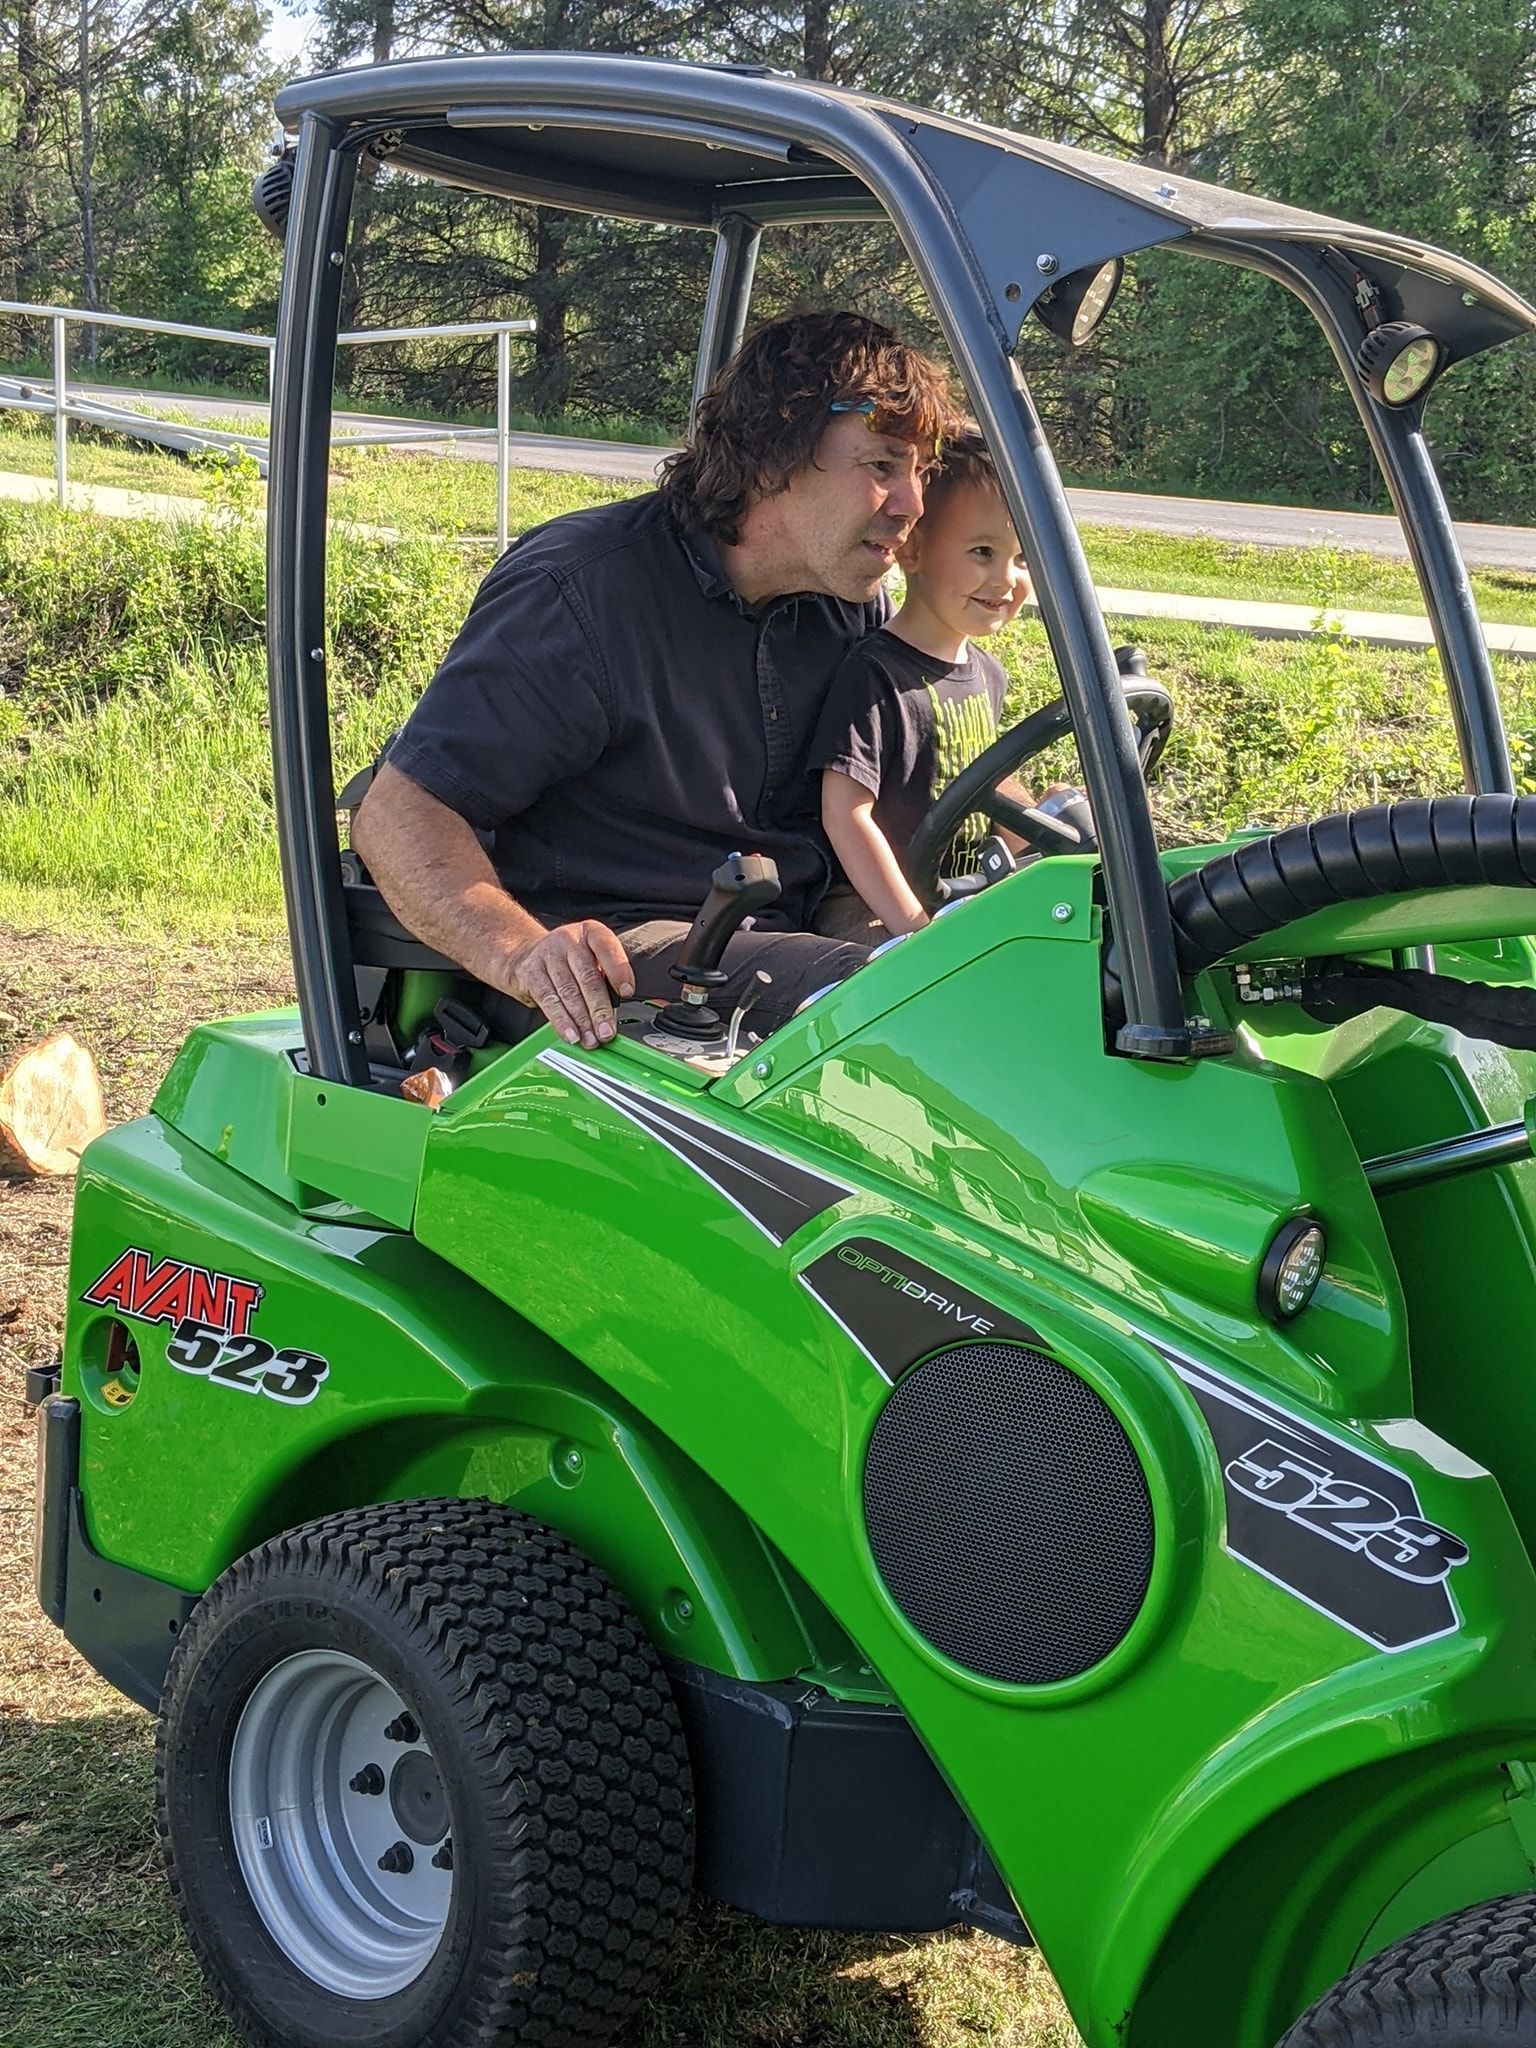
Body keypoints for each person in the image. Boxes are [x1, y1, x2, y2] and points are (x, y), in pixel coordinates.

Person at [352, 310, 959, 1051]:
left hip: (788, 932)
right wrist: (519, 954)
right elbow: (400, 813)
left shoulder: (848, 608)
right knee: (889, 1012)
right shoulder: (582, 595)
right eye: (883, 466)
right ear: (774, 456)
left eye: (920, 472)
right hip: (618, 955)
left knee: (992, 970)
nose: (914, 504)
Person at [809, 430, 1033, 938]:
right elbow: (844, 814)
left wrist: (1044, 834)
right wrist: (914, 927)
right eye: (983, 551)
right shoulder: (876, 674)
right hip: (873, 909)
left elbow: (991, 785)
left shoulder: (987, 675)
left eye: (1021, 559)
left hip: (961, 897)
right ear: (912, 552)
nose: (1006, 578)